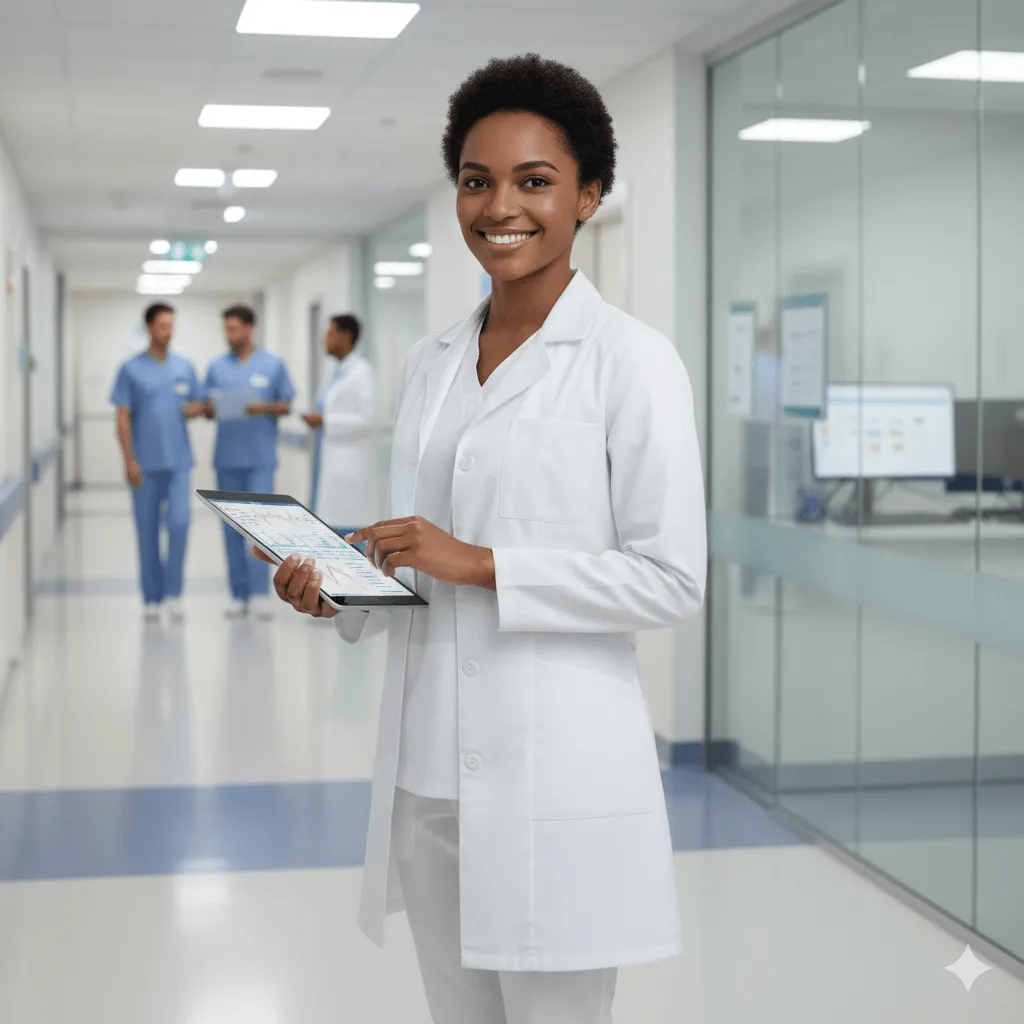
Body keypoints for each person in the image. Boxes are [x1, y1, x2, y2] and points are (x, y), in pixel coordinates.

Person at [260, 55, 706, 1024]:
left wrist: (486, 563)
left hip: (555, 782)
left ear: (588, 194)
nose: (499, 205)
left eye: (534, 180)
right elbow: (411, 554)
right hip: (427, 781)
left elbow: (671, 578)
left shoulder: (632, 363)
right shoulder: (430, 362)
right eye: (476, 179)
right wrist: (340, 586)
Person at [110, 302, 205, 622]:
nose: (169, 330)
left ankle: (174, 593)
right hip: (145, 465)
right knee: (147, 530)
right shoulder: (131, 369)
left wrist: (196, 409)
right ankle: (151, 597)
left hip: (178, 463)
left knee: (179, 525)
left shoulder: (184, 366)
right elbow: (122, 418)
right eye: (163, 325)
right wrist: (129, 461)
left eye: (172, 325)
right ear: (149, 327)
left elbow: (198, 403)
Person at [204, 304, 295, 619]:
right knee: (230, 528)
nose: (228, 335)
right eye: (225, 329)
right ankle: (238, 593)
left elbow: (286, 405)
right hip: (227, 458)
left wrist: (264, 408)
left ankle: (259, 593)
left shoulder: (272, 365)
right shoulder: (217, 367)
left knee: (262, 529)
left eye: (233, 329)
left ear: (249, 328)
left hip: (259, 458)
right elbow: (208, 406)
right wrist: (204, 409)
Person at [303, 314, 379, 534]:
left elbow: (367, 420)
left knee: (349, 533)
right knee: (331, 527)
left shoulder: (362, 372)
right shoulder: (336, 373)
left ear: (346, 336)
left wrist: (325, 420)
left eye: (329, 334)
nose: (324, 340)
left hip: (349, 467)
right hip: (331, 461)